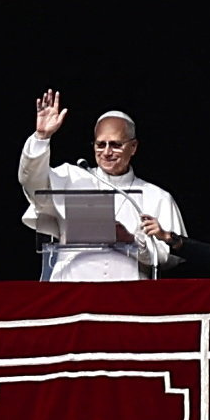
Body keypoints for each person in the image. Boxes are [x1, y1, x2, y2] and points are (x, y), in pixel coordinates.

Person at [18, 91, 185, 281]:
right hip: (71, 289)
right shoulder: (71, 178)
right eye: (100, 144)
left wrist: (131, 241)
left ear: (133, 147)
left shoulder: (157, 197)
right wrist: (42, 137)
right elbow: (31, 181)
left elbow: (169, 258)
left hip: (128, 294)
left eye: (115, 145)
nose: (107, 152)